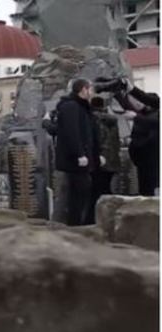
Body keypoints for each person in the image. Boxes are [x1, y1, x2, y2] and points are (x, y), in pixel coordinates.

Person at [55, 78, 101, 226]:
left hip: (84, 160)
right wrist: (79, 154)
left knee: (83, 193)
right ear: (83, 89)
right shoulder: (71, 106)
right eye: (91, 89)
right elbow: (72, 132)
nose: (92, 92)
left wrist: (96, 154)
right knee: (77, 196)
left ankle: (78, 225)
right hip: (76, 161)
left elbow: (88, 133)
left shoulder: (82, 107)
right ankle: (75, 227)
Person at [86, 97, 120, 223]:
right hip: (112, 162)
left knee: (95, 192)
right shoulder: (112, 120)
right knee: (106, 190)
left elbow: (95, 141)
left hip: (99, 161)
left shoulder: (93, 120)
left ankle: (94, 220)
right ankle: (111, 218)